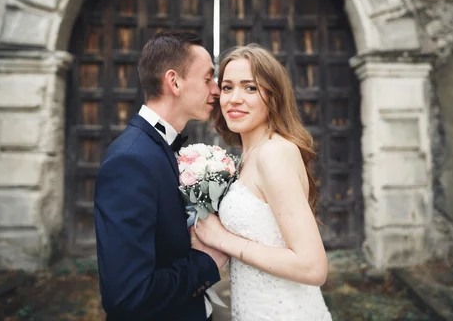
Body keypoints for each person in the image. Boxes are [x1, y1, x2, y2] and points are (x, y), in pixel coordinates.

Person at [94, 32, 228, 321]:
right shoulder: (130, 160)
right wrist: (205, 264)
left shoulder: (157, 148)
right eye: (207, 78)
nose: (216, 90)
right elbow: (128, 295)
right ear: (174, 81)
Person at [195, 44, 333, 320]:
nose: (234, 99)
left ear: (274, 96)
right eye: (227, 87)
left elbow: (313, 268)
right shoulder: (248, 156)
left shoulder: (274, 153)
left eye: (250, 88)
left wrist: (223, 239)